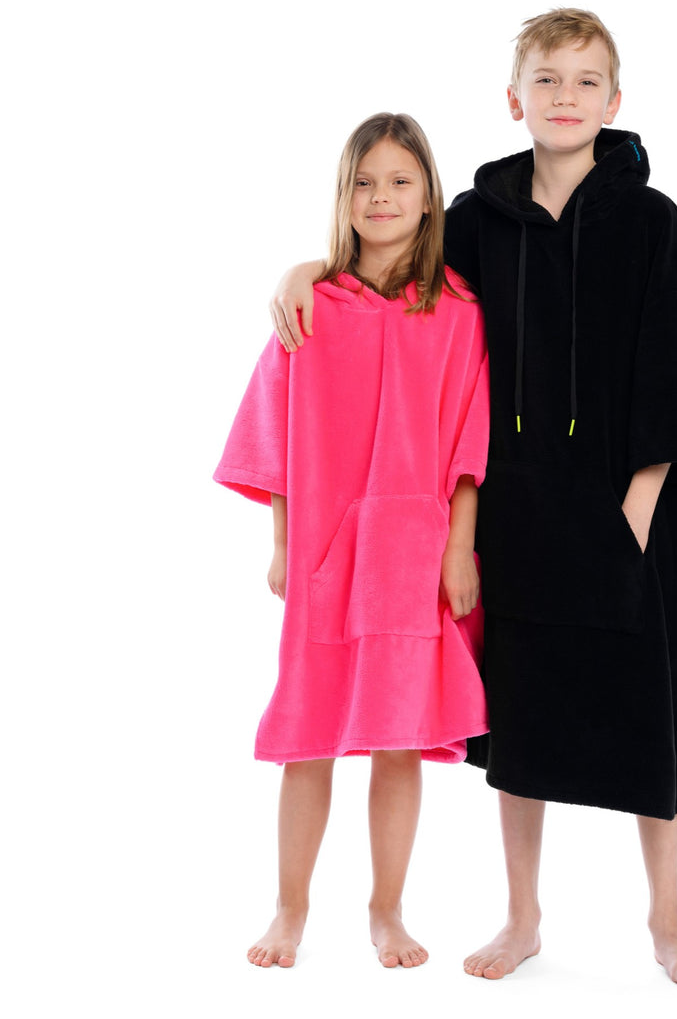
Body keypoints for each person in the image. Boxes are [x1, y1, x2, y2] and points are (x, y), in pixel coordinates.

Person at [270, 9, 677, 990]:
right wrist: (306, 267)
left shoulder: (654, 223)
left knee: (648, 705)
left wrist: (636, 512)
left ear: (614, 100)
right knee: (519, 716)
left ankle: (667, 921)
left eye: (585, 81)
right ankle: (522, 916)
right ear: (514, 98)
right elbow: (395, 273)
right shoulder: (480, 220)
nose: (565, 96)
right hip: (514, 511)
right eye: (547, 79)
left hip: (631, 510)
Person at [215, 112, 490, 970]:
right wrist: (282, 541)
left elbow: (469, 445)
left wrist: (458, 550)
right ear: (344, 195)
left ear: (429, 195)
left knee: (398, 737)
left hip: (414, 553)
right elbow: (277, 431)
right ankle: (289, 909)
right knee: (309, 734)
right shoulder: (310, 309)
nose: (382, 197)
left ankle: (386, 912)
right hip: (327, 552)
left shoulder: (458, 311)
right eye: (365, 182)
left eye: (400, 181)